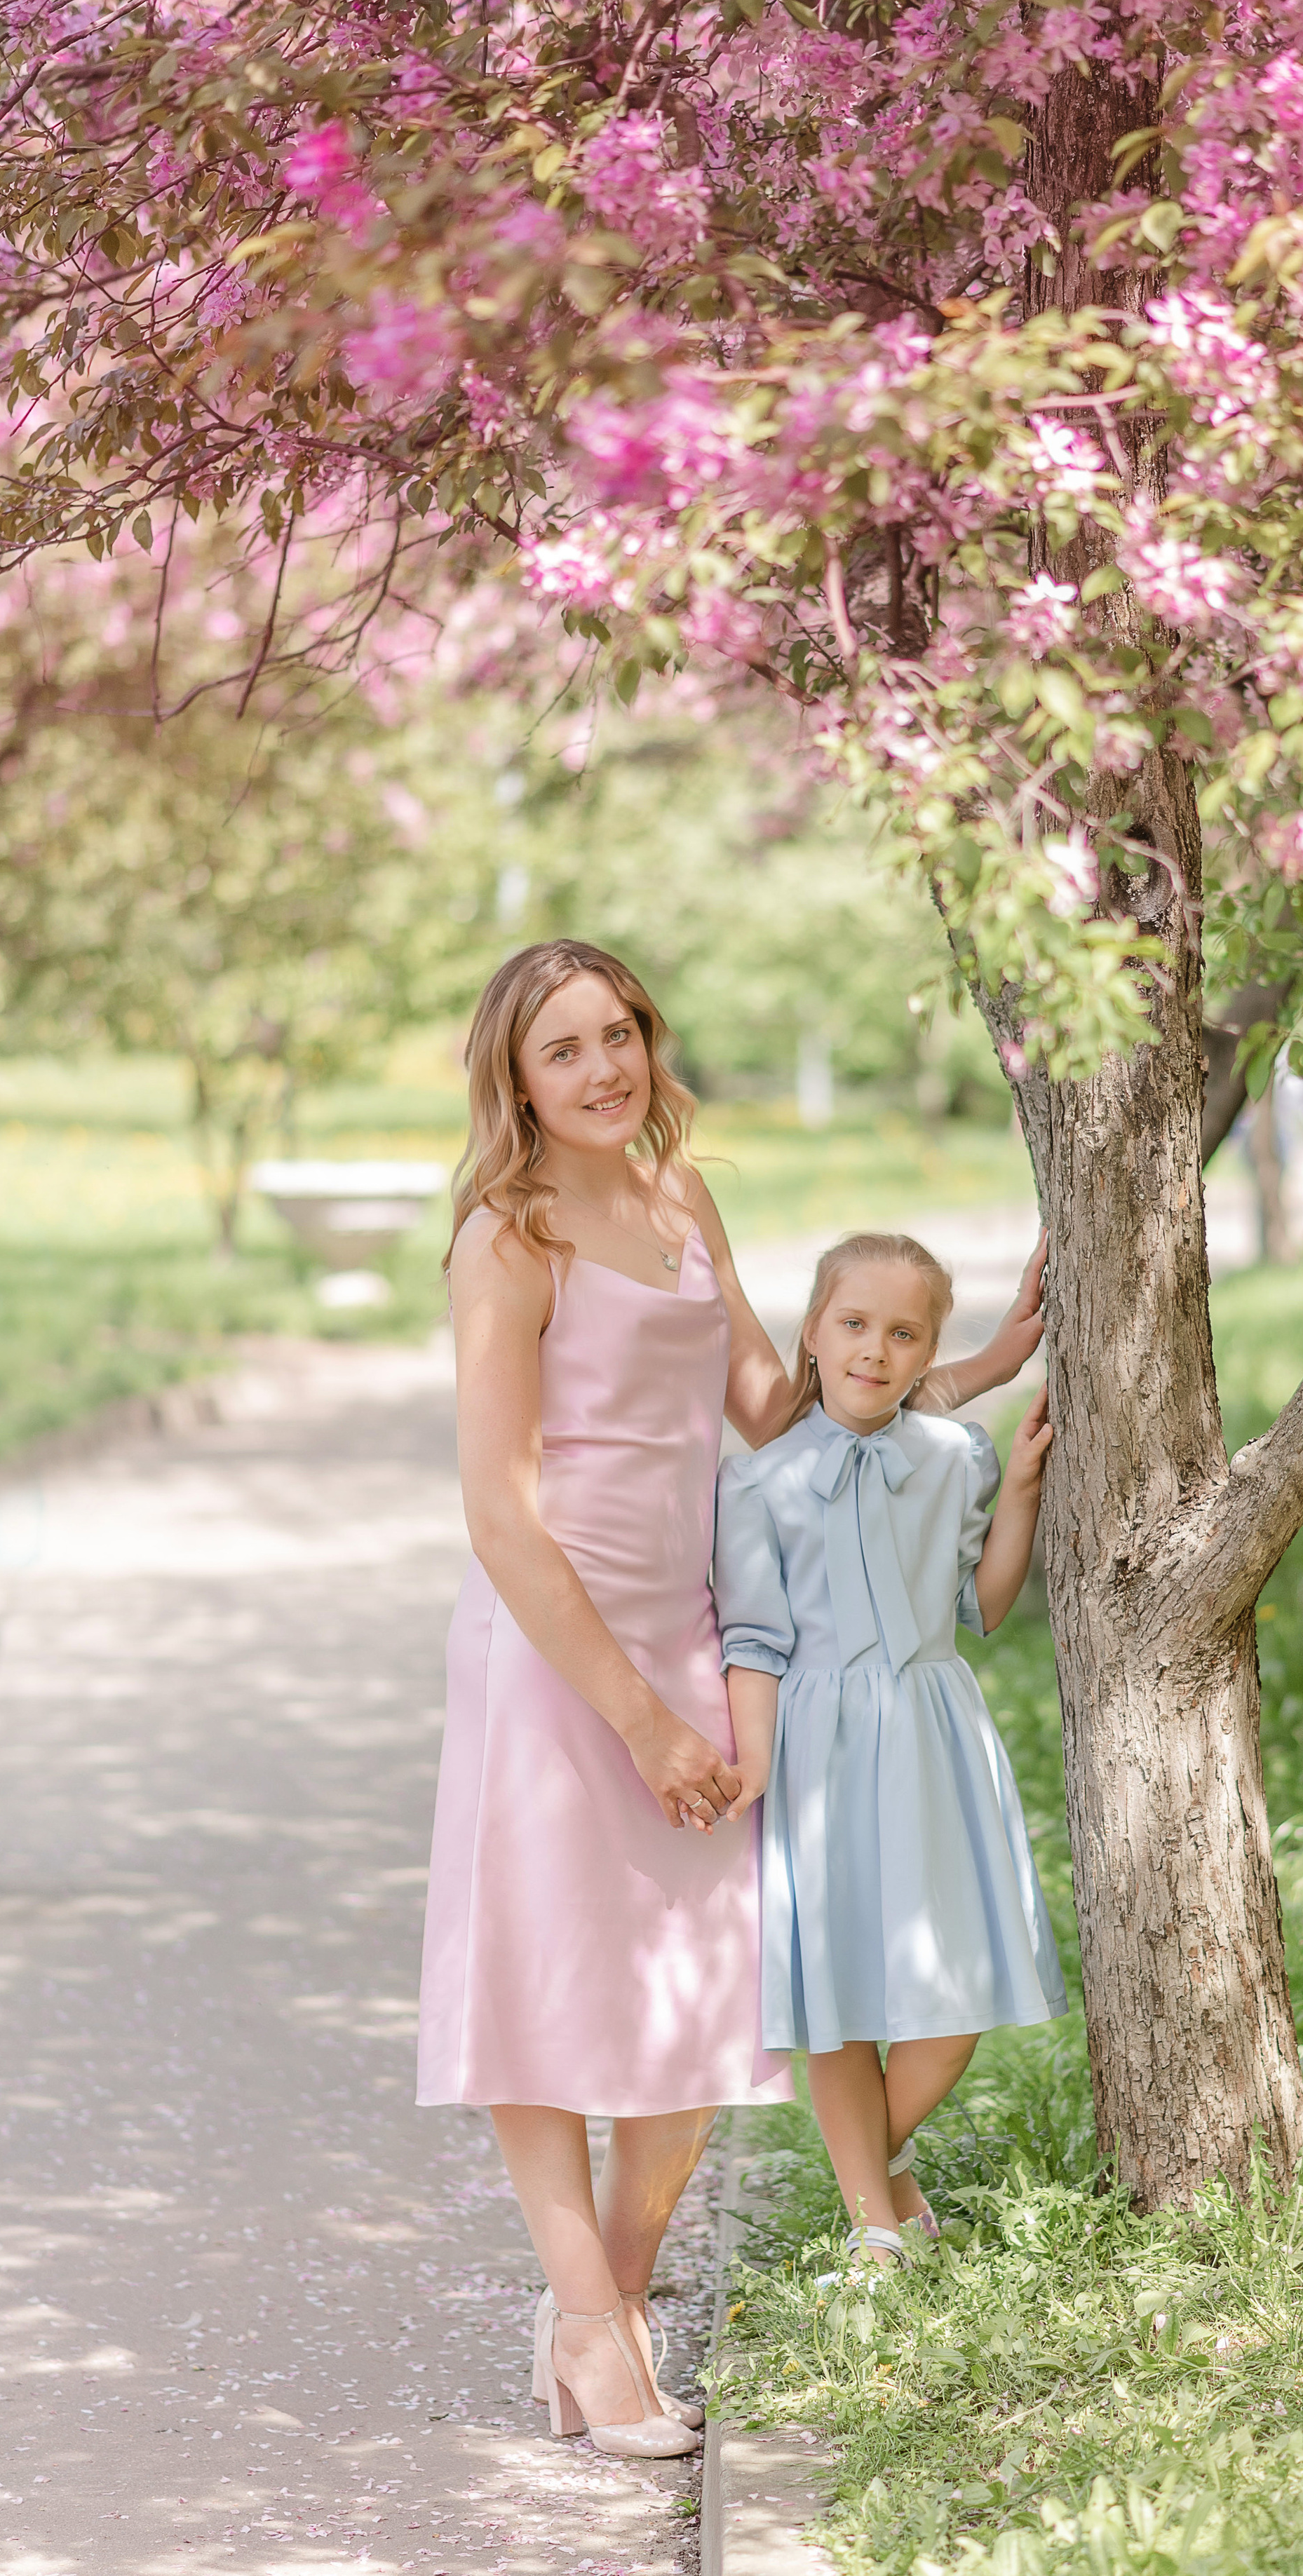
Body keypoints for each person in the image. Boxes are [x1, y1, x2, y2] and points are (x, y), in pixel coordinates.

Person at [416, 943, 1046, 2454]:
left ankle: (609, 2303)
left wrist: (980, 1368)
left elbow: (774, 1407)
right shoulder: (503, 1241)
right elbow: (500, 1516)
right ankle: (591, 2324)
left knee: (707, 1997)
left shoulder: (679, 1197)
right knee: (540, 1986)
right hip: (555, 1651)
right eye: (562, 1049)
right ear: (516, 1079)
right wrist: (637, 1717)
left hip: (694, 1625)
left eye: (618, 1034)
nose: (602, 1069)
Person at [713, 1231, 1067, 2274]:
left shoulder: (957, 1458)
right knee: (840, 2003)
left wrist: (1022, 1492)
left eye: (904, 1333)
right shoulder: (759, 1483)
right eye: (855, 1324)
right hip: (815, 1752)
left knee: (948, 2009)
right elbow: (753, 1643)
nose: (875, 1349)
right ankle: (878, 2229)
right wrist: (755, 1769)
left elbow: (983, 1606)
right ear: (813, 1334)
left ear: (928, 1352)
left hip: (927, 1738)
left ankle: (882, 2163)